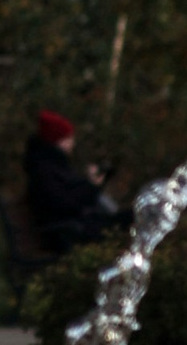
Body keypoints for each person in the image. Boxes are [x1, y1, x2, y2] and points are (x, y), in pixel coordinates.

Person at [23, 108, 125, 254]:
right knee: (129, 221)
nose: (72, 144)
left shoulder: (50, 166)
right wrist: (91, 185)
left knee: (131, 218)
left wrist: (90, 184)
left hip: (75, 228)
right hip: (68, 234)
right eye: (68, 139)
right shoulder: (45, 170)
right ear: (58, 141)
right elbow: (66, 204)